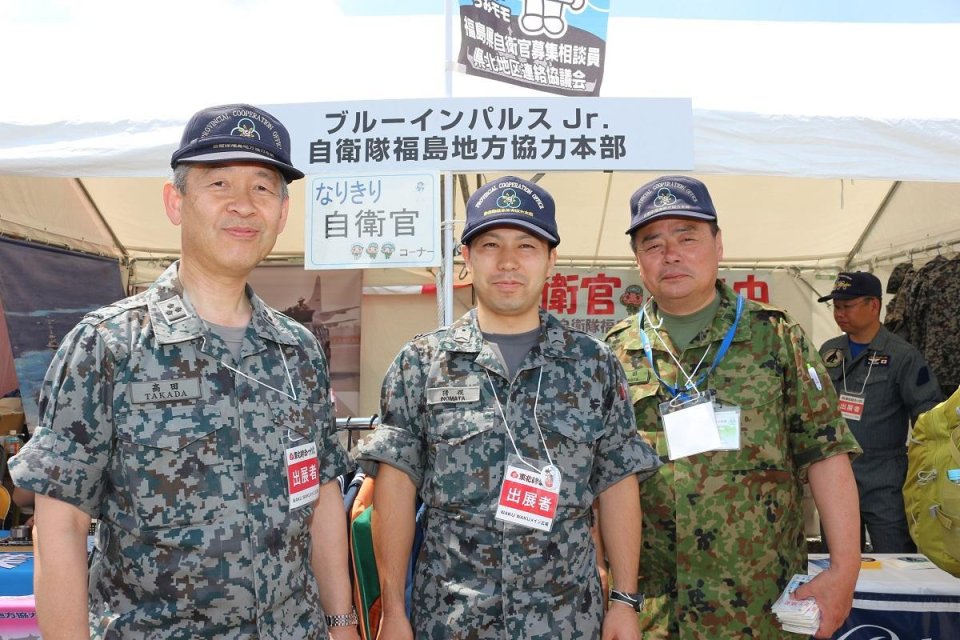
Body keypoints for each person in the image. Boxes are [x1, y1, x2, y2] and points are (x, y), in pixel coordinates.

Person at [9, 104, 359, 639]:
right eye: (219, 183)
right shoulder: (108, 345)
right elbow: (60, 528)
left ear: (283, 214)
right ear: (176, 202)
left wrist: (341, 624)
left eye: (263, 189)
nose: (243, 205)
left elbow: (323, 498)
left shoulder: (299, 351)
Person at [356, 176, 662, 640]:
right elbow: (395, 489)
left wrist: (623, 601)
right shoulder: (421, 364)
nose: (507, 262)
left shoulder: (594, 364)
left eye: (527, 245)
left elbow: (617, 484)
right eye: (490, 244)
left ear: (551, 260)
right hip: (449, 620)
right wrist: (394, 610)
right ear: (466, 257)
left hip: (567, 619)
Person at [604, 175, 863, 639]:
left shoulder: (776, 336)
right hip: (652, 613)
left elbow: (826, 454)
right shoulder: (612, 354)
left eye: (688, 238)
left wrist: (845, 570)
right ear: (638, 259)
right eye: (653, 243)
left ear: (718, 244)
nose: (672, 255)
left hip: (759, 608)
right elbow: (597, 482)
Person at [818, 271, 941, 553]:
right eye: (836, 307)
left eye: (847, 306)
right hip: (836, 471)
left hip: (884, 475)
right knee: (835, 558)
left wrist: (925, 466)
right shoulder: (829, 351)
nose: (839, 314)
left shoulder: (902, 355)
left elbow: (927, 414)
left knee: (895, 555)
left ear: (873, 306)